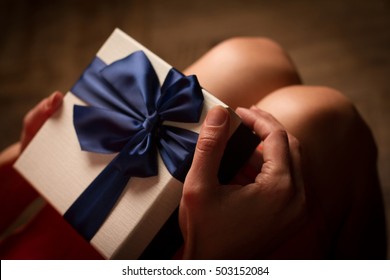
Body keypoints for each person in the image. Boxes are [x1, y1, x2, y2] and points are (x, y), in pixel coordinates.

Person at [0, 37, 387, 259]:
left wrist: (29, 158)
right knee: (323, 117)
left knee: (250, 58)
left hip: (63, 207)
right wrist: (208, 259)